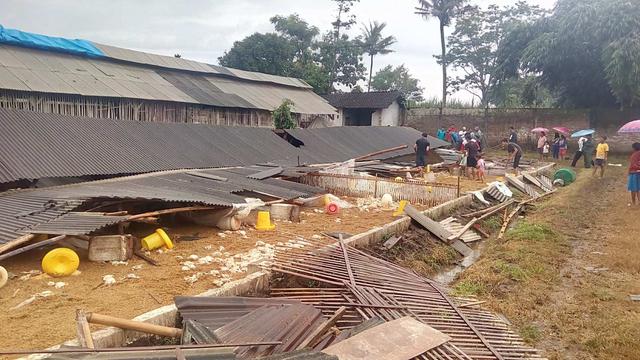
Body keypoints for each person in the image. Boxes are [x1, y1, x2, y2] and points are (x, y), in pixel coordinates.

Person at [628, 142, 640, 207]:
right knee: (638, 188)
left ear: (634, 148)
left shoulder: (634, 155)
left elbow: (632, 165)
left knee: (633, 189)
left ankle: (634, 203)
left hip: (634, 173)